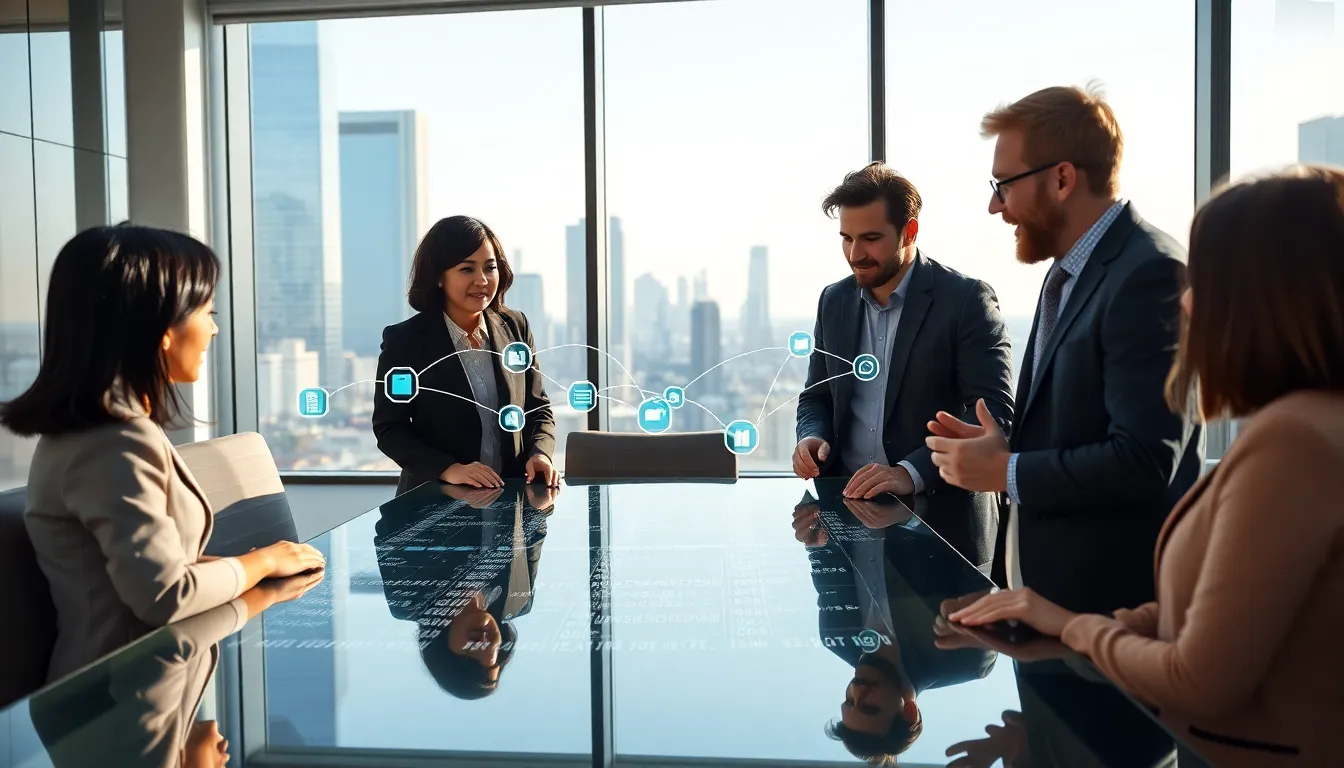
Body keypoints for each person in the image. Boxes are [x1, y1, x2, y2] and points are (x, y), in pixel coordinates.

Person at [945, 165, 1344, 767]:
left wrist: (1073, 629)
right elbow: (1215, 609)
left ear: (1267, 295)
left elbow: (1196, 679)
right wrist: (1065, 621)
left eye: (1207, 278)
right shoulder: (1307, 422)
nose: (1187, 299)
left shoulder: (1294, 442)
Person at [0, 225, 326, 682]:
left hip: (137, 683)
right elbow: (165, 596)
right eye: (207, 311)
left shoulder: (102, 431)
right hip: (119, 704)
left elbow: (141, 573)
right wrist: (264, 562)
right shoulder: (111, 443)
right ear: (161, 330)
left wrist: (250, 568)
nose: (214, 328)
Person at [926, 85, 1202, 615]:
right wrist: (1003, 446)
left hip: (1113, 616)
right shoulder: (1071, 271)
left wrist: (1005, 469)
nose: (993, 205)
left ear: (1061, 178)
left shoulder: (1149, 273)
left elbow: (1146, 459)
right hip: (1048, 604)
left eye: (1003, 184)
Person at [794, 162, 1014, 569]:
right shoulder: (834, 301)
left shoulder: (966, 300)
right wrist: (812, 437)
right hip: (845, 529)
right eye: (846, 238)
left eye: (871, 239)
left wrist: (910, 472)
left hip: (944, 534)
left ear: (909, 231)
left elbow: (993, 415)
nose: (855, 254)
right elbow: (817, 397)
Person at [373, 216, 558, 495]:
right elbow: (390, 428)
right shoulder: (405, 342)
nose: (481, 280)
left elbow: (538, 408)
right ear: (438, 276)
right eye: (466, 269)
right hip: (435, 505)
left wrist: (540, 453)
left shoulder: (515, 327)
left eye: (490, 268)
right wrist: (449, 468)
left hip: (511, 504)